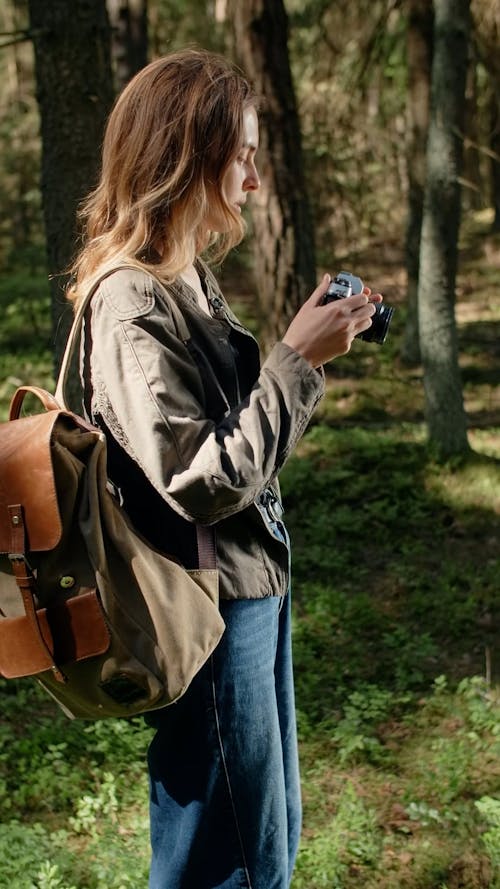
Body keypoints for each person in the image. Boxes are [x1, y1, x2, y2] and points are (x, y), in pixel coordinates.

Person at [68, 48, 381, 889]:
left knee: (263, 845)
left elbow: (235, 444)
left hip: (248, 591)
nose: (253, 176)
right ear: (183, 154)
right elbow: (202, 478)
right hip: (201, 610)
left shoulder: (185, 280)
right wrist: (295, 360)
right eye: (240, 153)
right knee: (229, 863)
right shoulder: (129, 298)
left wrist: (303, 353)